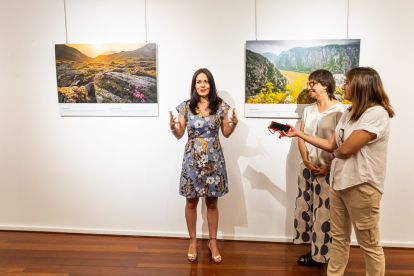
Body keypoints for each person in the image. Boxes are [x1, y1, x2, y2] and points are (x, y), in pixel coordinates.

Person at [284, 67, 394, 275]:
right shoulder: (350, 113)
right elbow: (329, 143)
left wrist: (330, 161)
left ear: (361, 85)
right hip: (339, 183)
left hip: (362, 186)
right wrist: (299, 133)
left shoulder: (376, 113)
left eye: (347, 83)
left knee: (369, 244)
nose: (343, 87)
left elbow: (346, 148)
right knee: (339, 238)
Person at [169, 68, 238, 263]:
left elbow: (225, 132)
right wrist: (173, 127)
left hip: (214, 159)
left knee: (212, 203)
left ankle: (212, 242)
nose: (202, 85)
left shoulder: (221, 106)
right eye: (198, 82)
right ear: (194, 85)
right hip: (192, 159)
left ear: (211, 84)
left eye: (205, 81)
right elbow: (179, 134)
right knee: (191, 202)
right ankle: (192, 241)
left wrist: (233, 124)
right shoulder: (186, 107)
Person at [294, 70, 346, 265]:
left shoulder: (341, 111)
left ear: (325, 85)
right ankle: (315, 251)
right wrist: (306, 161)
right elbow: (301, 136)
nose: (309, 88)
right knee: (308, 209)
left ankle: (324, 256)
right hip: (307, 169)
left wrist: (329, 167)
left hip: (328, 170)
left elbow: (341, 144)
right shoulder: (308, 110)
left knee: (324, 213)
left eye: (312, 83)